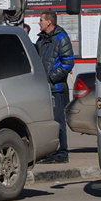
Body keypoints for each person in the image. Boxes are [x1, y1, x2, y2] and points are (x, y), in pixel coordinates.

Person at [35, 12, 75, 163]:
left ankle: (62, 152)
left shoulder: (61, 38)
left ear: (49, 22)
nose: (39, 23)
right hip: (43, 88)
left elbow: (68, 63)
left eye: (41, 20)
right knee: (47, 120)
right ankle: (50, 150)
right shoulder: (42, 39)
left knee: (58, 120)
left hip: (56, 87)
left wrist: (50, 77)